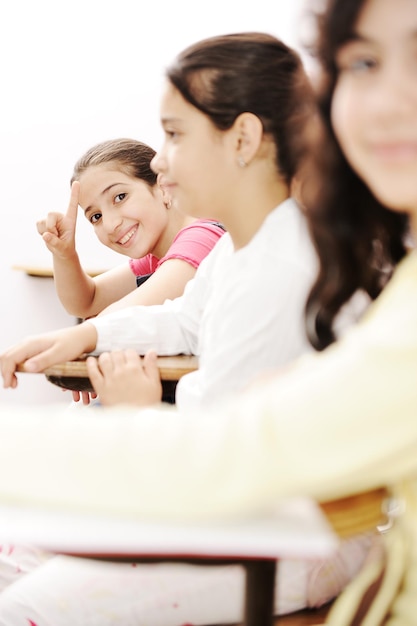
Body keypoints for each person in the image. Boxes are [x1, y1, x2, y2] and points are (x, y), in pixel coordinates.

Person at [0, 28, 391, 626]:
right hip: (243, 502)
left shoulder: (283, 265)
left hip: (291, 537)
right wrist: (86, 335)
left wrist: (139, 413)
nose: (159, 159)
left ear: (243, 139)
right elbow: (183, 319)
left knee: (26, 596)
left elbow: (219, 458)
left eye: (174, 134)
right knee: (16, 551)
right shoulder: (242, 245)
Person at [37, 138, 225, 320]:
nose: (110, 225)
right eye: (96, 216)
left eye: (120, 197)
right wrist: (64, 255)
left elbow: (113, 321)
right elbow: (86, 302)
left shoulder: (201, 238)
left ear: (163, 187)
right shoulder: (157, 255)